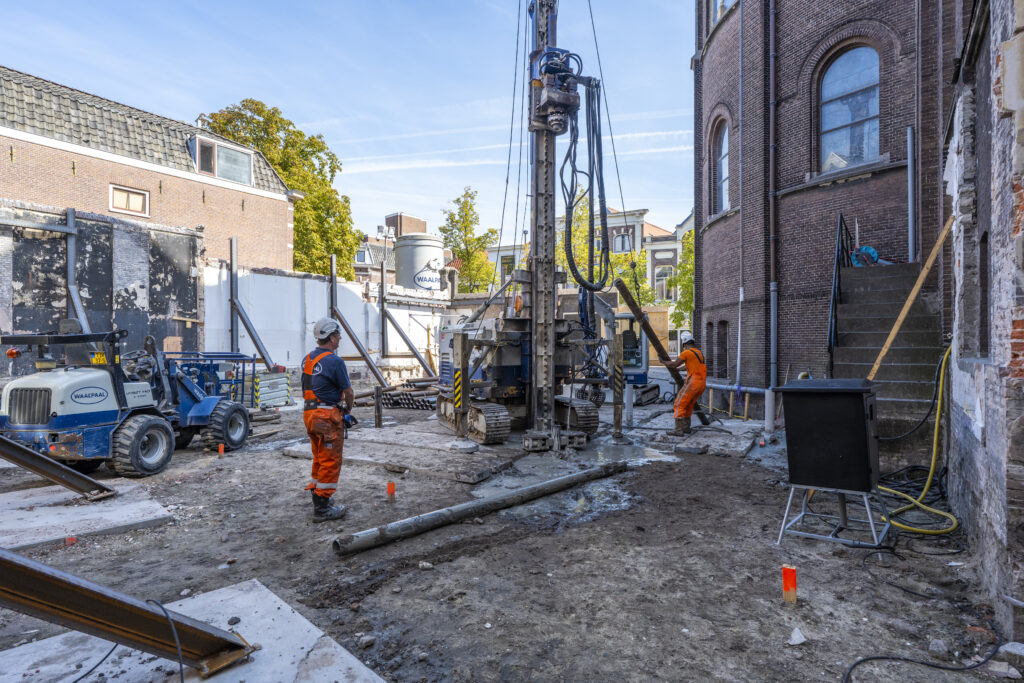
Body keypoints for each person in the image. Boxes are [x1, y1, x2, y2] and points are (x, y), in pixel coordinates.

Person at [301, 317, 354, 522]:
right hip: (326, 417)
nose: (340, 338)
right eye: (338, 334)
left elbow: (311, 388)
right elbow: (348, 391)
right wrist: (347, 409)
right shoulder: (335, 361)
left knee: (319, 457)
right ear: (331, 337)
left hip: (310, 415)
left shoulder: (307, 359)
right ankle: (322, 509)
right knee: (331, 460)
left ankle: (318, 497)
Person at [662, 332, 707, 436]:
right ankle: (686, 428)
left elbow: (674, 363)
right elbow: (688, 366)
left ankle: (678, 430)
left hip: (693, 383)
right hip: (701, 384)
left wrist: (663, 362)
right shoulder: (699, 353)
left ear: (685, 344)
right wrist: (678, 369)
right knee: (688, 404)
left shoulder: (686, 353)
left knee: (679, 403)